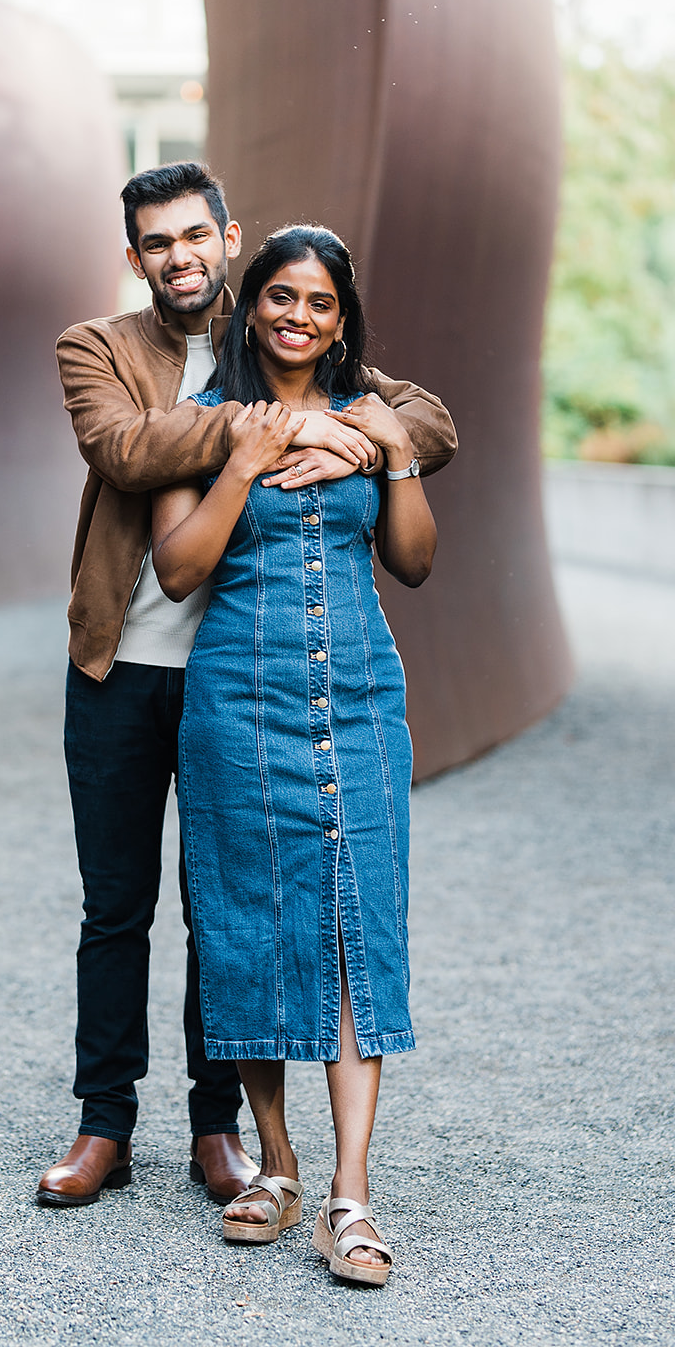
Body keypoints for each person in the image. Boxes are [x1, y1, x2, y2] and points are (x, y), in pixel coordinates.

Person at [38, 163, 456, 1211]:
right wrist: (276, 429)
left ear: (229, 240)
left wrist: (346, 426)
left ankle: (218, 1127)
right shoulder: (102, 349)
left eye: (195, 235)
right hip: (128, 664)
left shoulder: (283, 322)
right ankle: (104, 1124)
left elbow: (431, 422)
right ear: (135, 258)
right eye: (157, 243)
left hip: (256, 672)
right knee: (115, 904)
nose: (180, 255)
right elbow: (125, 446)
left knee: (228, 907)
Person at [152, 223, 436, 1286]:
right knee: (250, 918)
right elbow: (178, 569)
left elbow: (412, 559)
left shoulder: (373, 416)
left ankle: (350, 1193)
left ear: (341, 316)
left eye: (319, 301)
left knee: (359, 917)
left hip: (359, 700)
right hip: (238, 697)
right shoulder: (202, 422)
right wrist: (245, 463)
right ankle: (274, 1162)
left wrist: (392, 449)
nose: (297, 317)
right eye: (279, 296)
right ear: (251, 303)